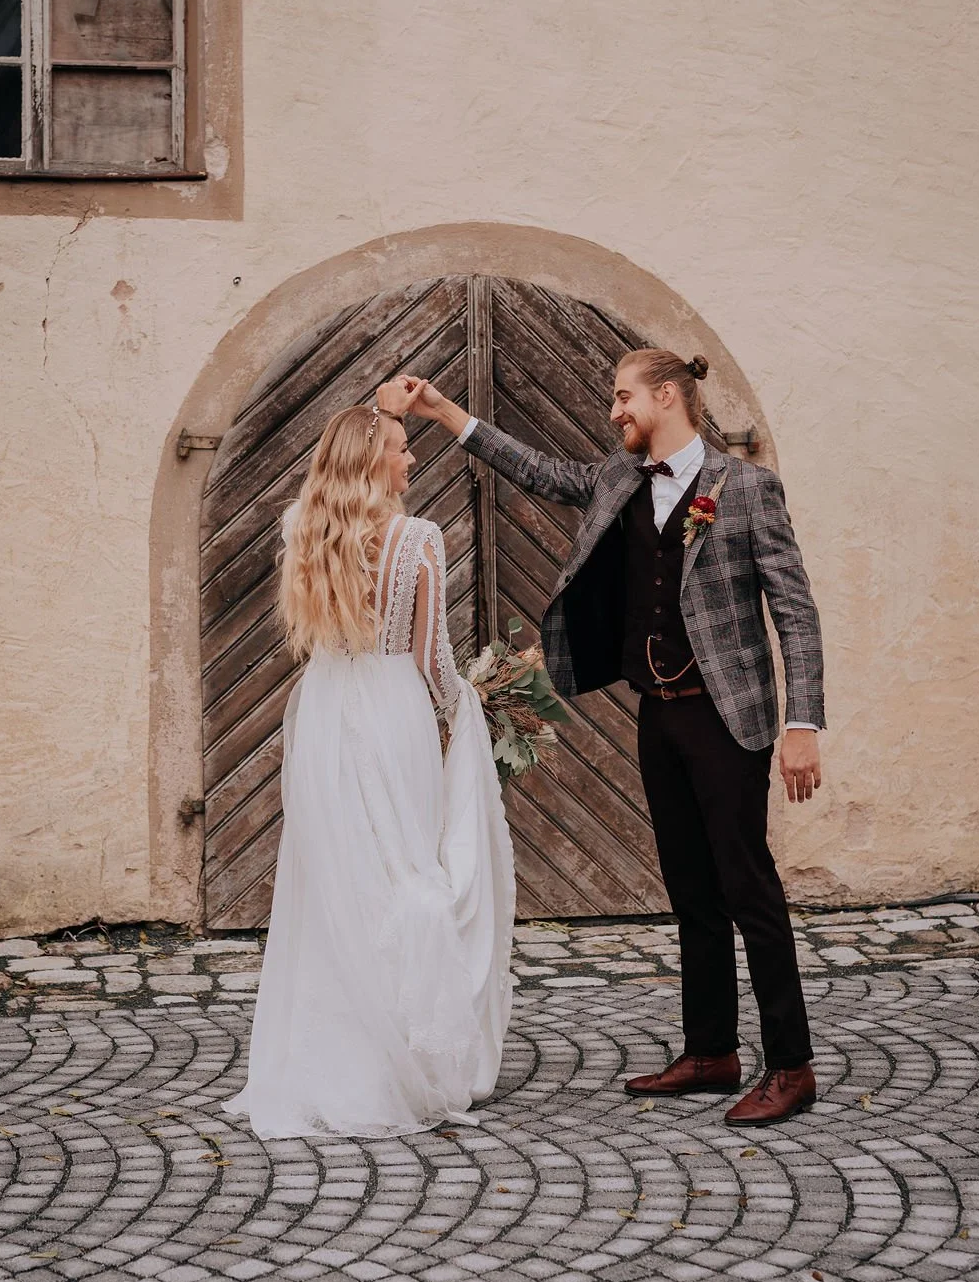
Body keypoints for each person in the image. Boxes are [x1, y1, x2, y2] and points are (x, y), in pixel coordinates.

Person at [394, 351, 825, 1126]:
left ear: (667, 396)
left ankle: (792, 1065)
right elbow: (533, 469)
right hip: (658, 710)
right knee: (689, 888)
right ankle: (712, 1051)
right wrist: (444, 413)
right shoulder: (619, 479)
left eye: (623, 397)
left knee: (747, 888)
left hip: (729, 715)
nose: (615, 411)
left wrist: (803, 725)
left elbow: (794, 611)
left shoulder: (750, 489)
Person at [224, 393, 516, 1139]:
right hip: (392, 712)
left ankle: (328, 1053)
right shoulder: (419, 538)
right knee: (402, 869)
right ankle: (400, 1060)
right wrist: (467, 705)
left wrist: (384, 405)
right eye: (400, 447)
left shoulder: (304, 528)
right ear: (371, 459)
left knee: (335, 880)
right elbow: (430, 657)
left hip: (324, 709)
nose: (411, 458)